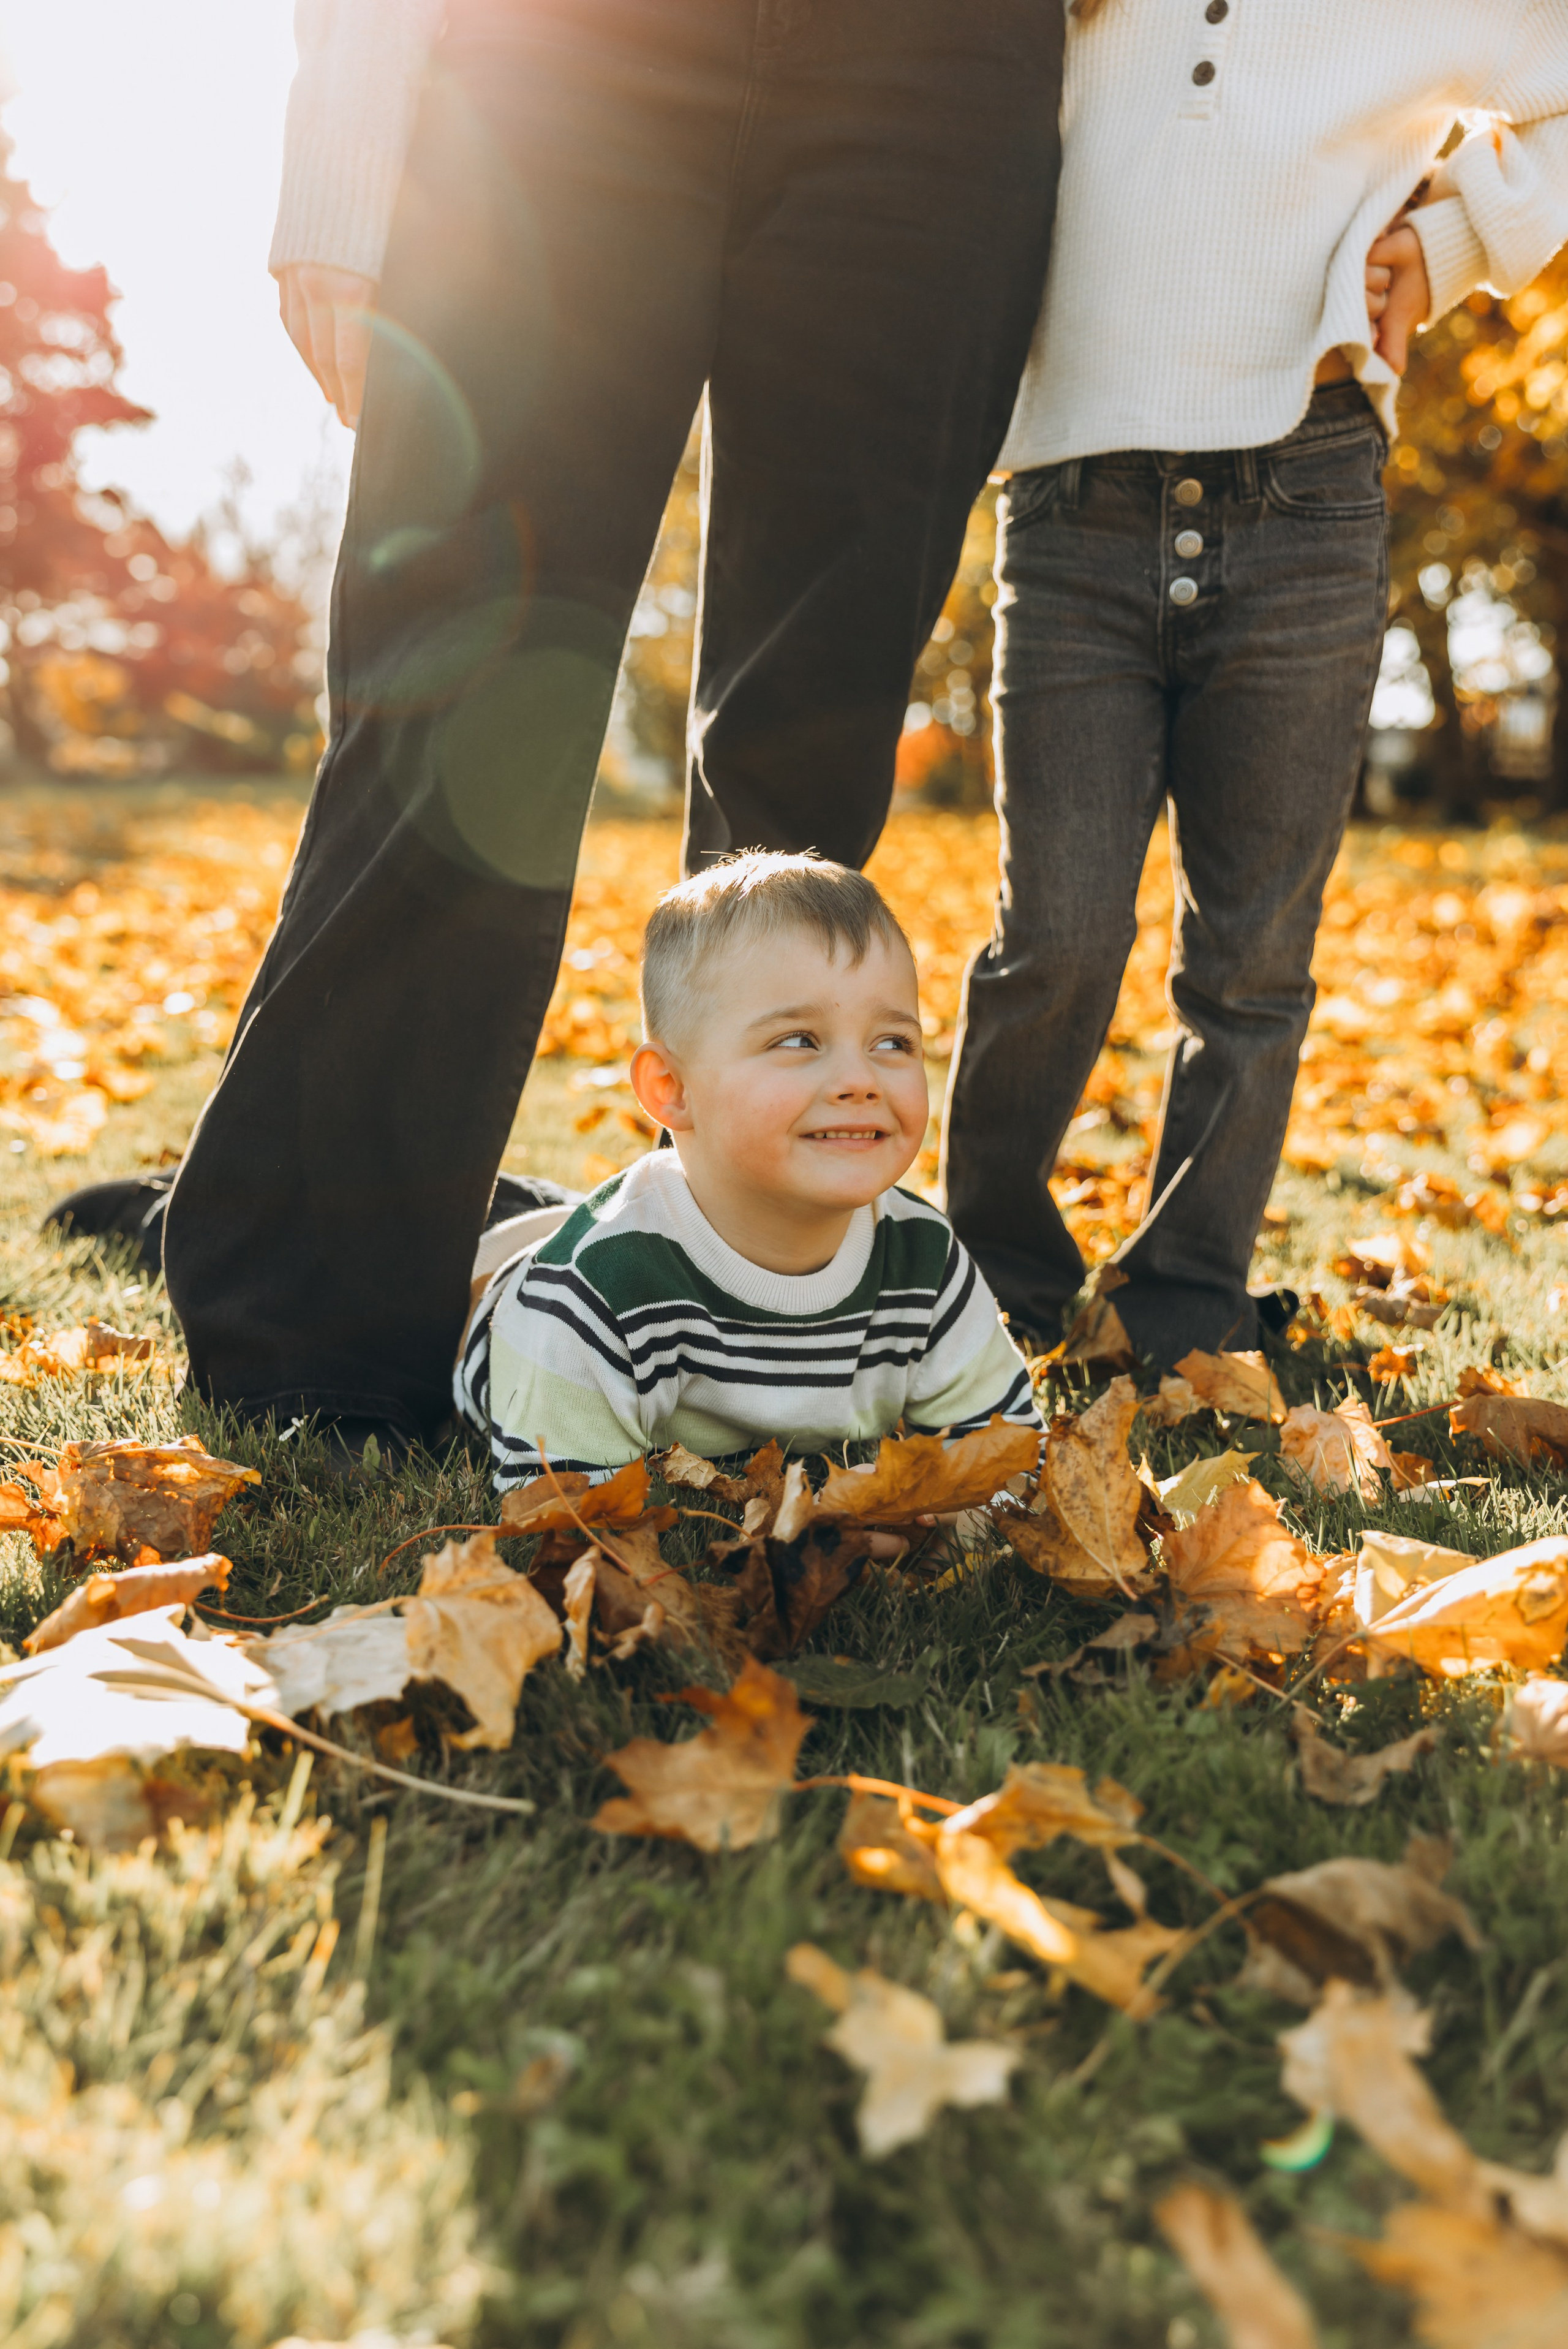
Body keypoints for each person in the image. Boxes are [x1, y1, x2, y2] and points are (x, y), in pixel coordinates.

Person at [50, 0, 1064, 1462]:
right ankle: (309, 1303)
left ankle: (740, 1305)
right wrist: (341, 149)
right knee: (455, 694)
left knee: (808, 753)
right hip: (557, 53)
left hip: (939, 74)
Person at [940, 0, 1568, 1367]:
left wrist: (1453, 238)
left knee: (1249, 959)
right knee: (1052, 931)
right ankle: (988, 1276)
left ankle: (1183, 1301)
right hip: (1069, 508)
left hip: (1305, 485)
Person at [457, 853, 1039, 1487]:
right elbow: (567, 1515)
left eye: (892, 1042)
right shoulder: (591, 1295)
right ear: (672, 1088)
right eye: (798, 1040)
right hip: (480, 1272)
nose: (858, 1079)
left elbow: (1009, 1460)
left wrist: (927, 1525)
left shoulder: (924, 1261)